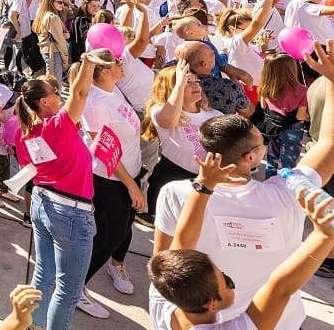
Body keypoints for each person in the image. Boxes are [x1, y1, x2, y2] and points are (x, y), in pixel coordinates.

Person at [153, 42, 334, 330]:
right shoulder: (287, 195)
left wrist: (203, 189)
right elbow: (329, 145)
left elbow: (165, 262)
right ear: (250, 156)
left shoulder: (176, 194)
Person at [149, 152, 334, 330]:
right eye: (228, 281)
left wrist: (206, 185)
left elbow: (183, 242)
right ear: (212, 303)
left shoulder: (162, 298)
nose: (230, 280)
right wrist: (324, 236)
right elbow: (280, 288)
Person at [16, 50, 98, 330]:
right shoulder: (58, 125)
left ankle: (32, 325)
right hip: (71, 213)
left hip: (42, 202)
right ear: (44, 101)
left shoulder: (25, 131)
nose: (59, 93)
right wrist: (88, 63)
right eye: (54, 91)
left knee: (43, 272)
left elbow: (29, 167)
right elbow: (80, 94)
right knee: (68, 290)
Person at [77, 48, 147, 316]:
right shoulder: (96, 102)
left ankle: (112, 265)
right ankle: (76, 286)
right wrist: (131, 184)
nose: (123, 65)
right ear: (104, 70)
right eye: (118, 63)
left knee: (123, 228)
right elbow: (102, 149)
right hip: (109, 179)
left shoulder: (113, 89)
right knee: (110, 235)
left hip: (129, 172)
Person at [142, 62, 221, 221]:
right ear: (171, 89)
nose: (195, 85)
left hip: (205, 180)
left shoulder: (214, 114)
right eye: (188, 82)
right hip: (172, 177)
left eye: (196, 81)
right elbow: (170, 120)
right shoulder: (159, 111)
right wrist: (179, 83)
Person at [257, 53, 308, 177]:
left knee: (272, 158)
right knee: (287, 162)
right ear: (291, 69)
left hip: (272, 127)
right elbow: (300, 117)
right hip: (292, 130)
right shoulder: (301, 90)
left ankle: (270, 183)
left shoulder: (265, 86)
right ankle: (283, 187)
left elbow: (264, 107)